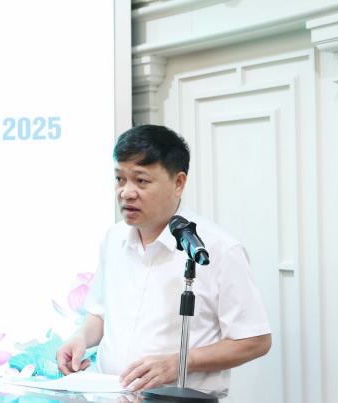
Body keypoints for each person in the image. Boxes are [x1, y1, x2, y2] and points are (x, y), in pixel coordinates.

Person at [56, 124, 272, 398]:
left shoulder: (217, 249)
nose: (126, 192)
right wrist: (80, 339)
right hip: (113, 396)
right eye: (120, 178)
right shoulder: (113, 238)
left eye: (141, 181)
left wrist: (179, 362)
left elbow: (255, 340)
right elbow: (99, 314)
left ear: (178, 183)